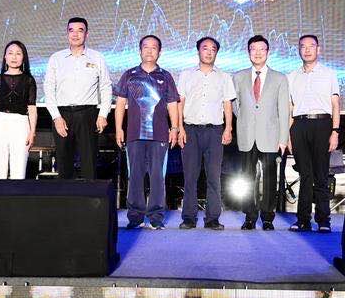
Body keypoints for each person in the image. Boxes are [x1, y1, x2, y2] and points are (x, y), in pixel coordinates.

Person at [114, 35, 180, 230]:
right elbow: (120, 104)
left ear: (159, 52)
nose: (149, 51)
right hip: (134, 134)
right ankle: (135, 217)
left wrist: (174, 128)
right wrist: (118, 128)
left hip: (159, 135)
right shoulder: (130, 74)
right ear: (140, 50)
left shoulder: (166, 76)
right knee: (134, 176)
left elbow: (172, 104)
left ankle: (156, 217)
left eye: (154, 47)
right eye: (145, 47)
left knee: (158, 177)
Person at [177, 36, 236, 231]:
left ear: (216, 53)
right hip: (190, 130)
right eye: (205, 48)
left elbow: (227, 104)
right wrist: (179, 128)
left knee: (214, 177)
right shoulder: (186, 74)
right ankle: (189, 218)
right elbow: (180, 102)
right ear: (198, 51)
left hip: (214, 132)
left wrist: (228, 128)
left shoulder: (224, 77)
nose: (209, 52)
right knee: (190, 176)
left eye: (213, 49)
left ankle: (212, 218)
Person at [44, 17, 113, 180]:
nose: (75, 34)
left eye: (80, 30)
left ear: (86, 34)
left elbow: (106, 86)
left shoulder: (97, 57)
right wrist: (56, 117)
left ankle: (89, 196)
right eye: (71, 30)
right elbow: (49, 89)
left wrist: (103, 114)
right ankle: (65, 196)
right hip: (62, 115)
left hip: (87, 114)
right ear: (67, 33)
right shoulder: (56, 58)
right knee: (63, 163)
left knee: (89, 162)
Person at [233, 35, 290, 230]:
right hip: (247, 135)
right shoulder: (238, 77)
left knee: (269, 179)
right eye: (253, 49)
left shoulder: (280, 78)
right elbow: (235, 105)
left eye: (261, 49)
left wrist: (283, 139)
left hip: (271, 136)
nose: (257, 53)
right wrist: (245, 119)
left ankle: (267, 217)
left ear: (268, 52)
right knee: (247, 178)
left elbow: (284, 111)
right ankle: (249, 216)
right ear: (248, 52)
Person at [287, 35, 340, 233]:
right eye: (303, 46)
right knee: (305, 175)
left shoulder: (329, 74)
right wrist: (287, 135)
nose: (307, 50)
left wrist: (335, 131)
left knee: (321, 175)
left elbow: (335, 105)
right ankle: (303, 220)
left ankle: (323, 220)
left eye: (311, 46)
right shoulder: (292, 76)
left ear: (319, 49)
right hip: (299, 125)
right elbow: (290, 107)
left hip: (322, 124)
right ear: (298, 50)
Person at [0, 40, 37, 180]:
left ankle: (17, 195)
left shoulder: (29, 80)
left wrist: (32, 132)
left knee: (19, 171)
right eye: (10, 53)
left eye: (18, 53)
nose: (14, 57)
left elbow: (32, 108)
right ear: (5, 57)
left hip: (21, 123)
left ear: (23, 57)